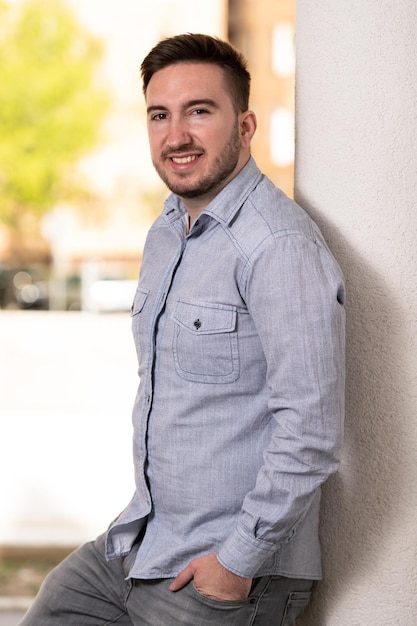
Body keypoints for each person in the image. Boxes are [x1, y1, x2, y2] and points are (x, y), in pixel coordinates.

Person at [20, 33, 345, 625]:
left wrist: (236, 561)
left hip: (229, 572)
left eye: (200, 111)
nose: (176, 136)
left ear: (245, 127)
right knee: (55, 607)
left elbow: (312, 429)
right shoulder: (167, 229)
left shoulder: (278, 246)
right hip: (144, 545)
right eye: (159, 115)